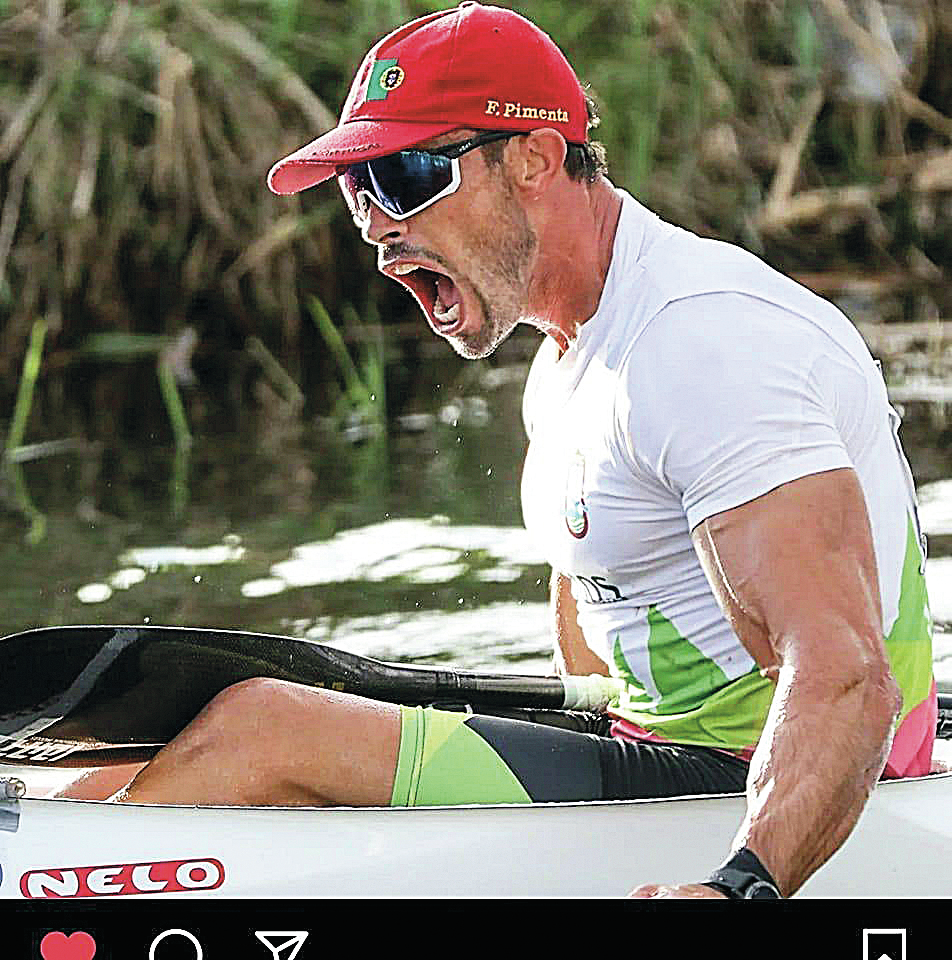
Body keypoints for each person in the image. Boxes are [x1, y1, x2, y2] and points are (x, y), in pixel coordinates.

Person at [112, 2, 937, 899]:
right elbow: (594, 599)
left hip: (774, 783)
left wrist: (739, 887)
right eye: (359, 195)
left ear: (536, 157)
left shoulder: (704, 346)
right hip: (657, 748)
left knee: (259, 728)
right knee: (158, 736)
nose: (380, 229)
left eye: (407, 175)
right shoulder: (573, 353)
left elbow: (846, 673)